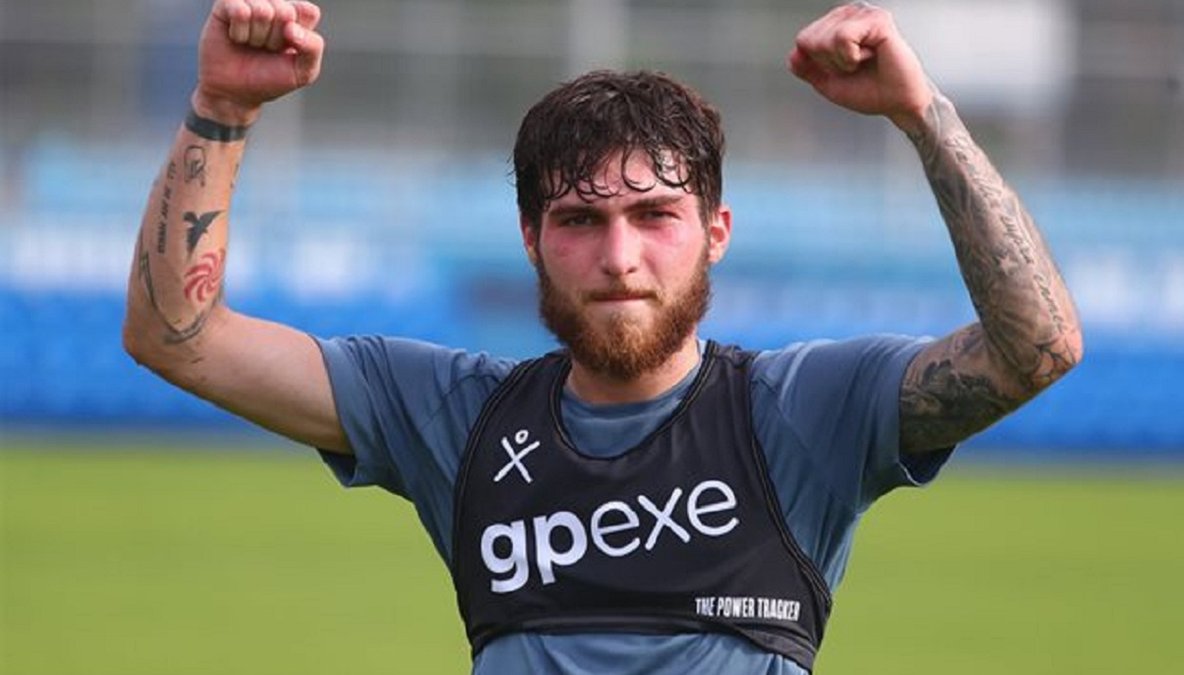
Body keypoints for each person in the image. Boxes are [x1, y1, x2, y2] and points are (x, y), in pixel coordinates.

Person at [123, 1, 1083, 673]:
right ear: (531, 239)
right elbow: (180, 337)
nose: (619, 256)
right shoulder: (455, 415)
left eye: (655, 215)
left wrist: (922, 114)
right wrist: (224, 108)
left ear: (715, 232)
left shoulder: (803, 410)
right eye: (580, 220)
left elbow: (1036, 346)